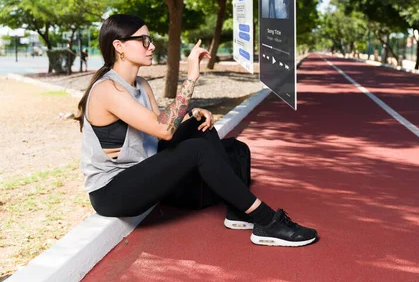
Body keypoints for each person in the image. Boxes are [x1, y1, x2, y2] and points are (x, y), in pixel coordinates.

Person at [75, 14, 317, 247]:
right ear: (119, 46)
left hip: (139, 170)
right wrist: (192, 75)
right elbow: (165, 130)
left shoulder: (141, 84)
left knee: (200, 126)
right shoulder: (108, 89)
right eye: (144, 40)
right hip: (112, 192)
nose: (151, 46)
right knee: (196, 148)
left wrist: (190, 115)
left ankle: (236, 209)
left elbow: (157, 123)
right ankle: (266, 221)